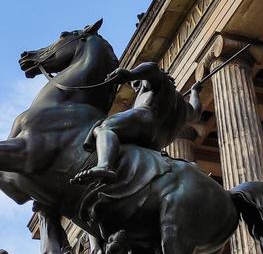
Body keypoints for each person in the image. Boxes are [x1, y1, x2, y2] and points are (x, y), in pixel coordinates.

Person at [71, 62, 202, 186]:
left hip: (145, 119)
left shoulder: (156, 83)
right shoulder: (182, 105)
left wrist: (130, 74)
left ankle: (104, 166)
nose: (135, 87)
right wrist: (195, 92)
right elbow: (196, 113)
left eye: (135, 83)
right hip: (156, 145)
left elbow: (152, 68)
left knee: (104, 128)